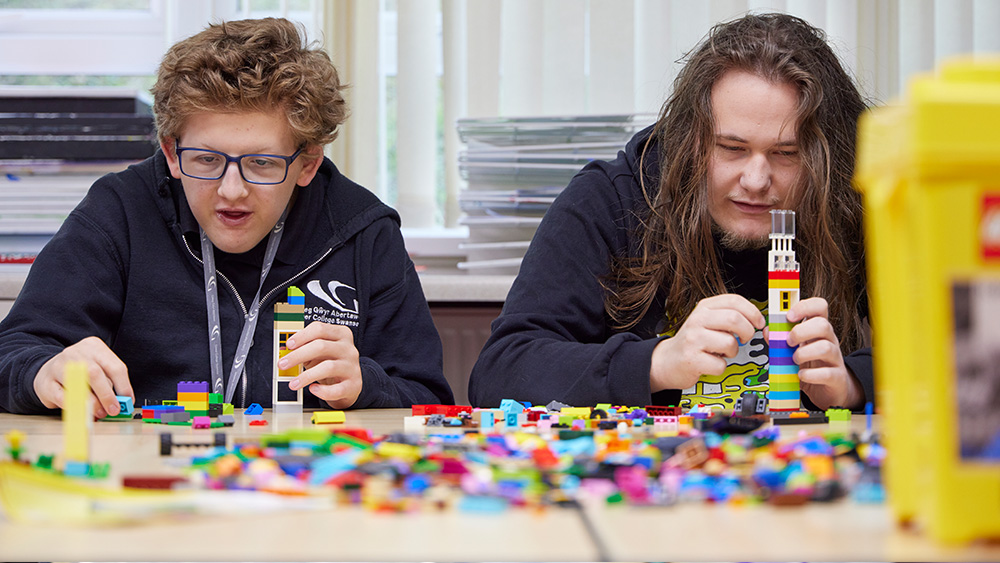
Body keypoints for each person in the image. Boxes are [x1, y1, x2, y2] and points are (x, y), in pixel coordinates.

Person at [0, 18, 453, 416]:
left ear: (308, 164)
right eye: (206, 160)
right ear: (172, 154)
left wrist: (365, 384)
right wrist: (42, 372)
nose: (231, 191)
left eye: (262, 163)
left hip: (305, 490)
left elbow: (428, 394)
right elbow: (13, 351)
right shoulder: (120, 211)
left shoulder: (361, 230)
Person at [469, 13, 872, 412]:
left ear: (826, 158)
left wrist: (852, 385)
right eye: (731, 149)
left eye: (786, 154)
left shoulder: (861, 204)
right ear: (689, 140)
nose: (755, 179)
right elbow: (502, 370)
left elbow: (934, 351)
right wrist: (657, 363)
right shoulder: (610, 200)